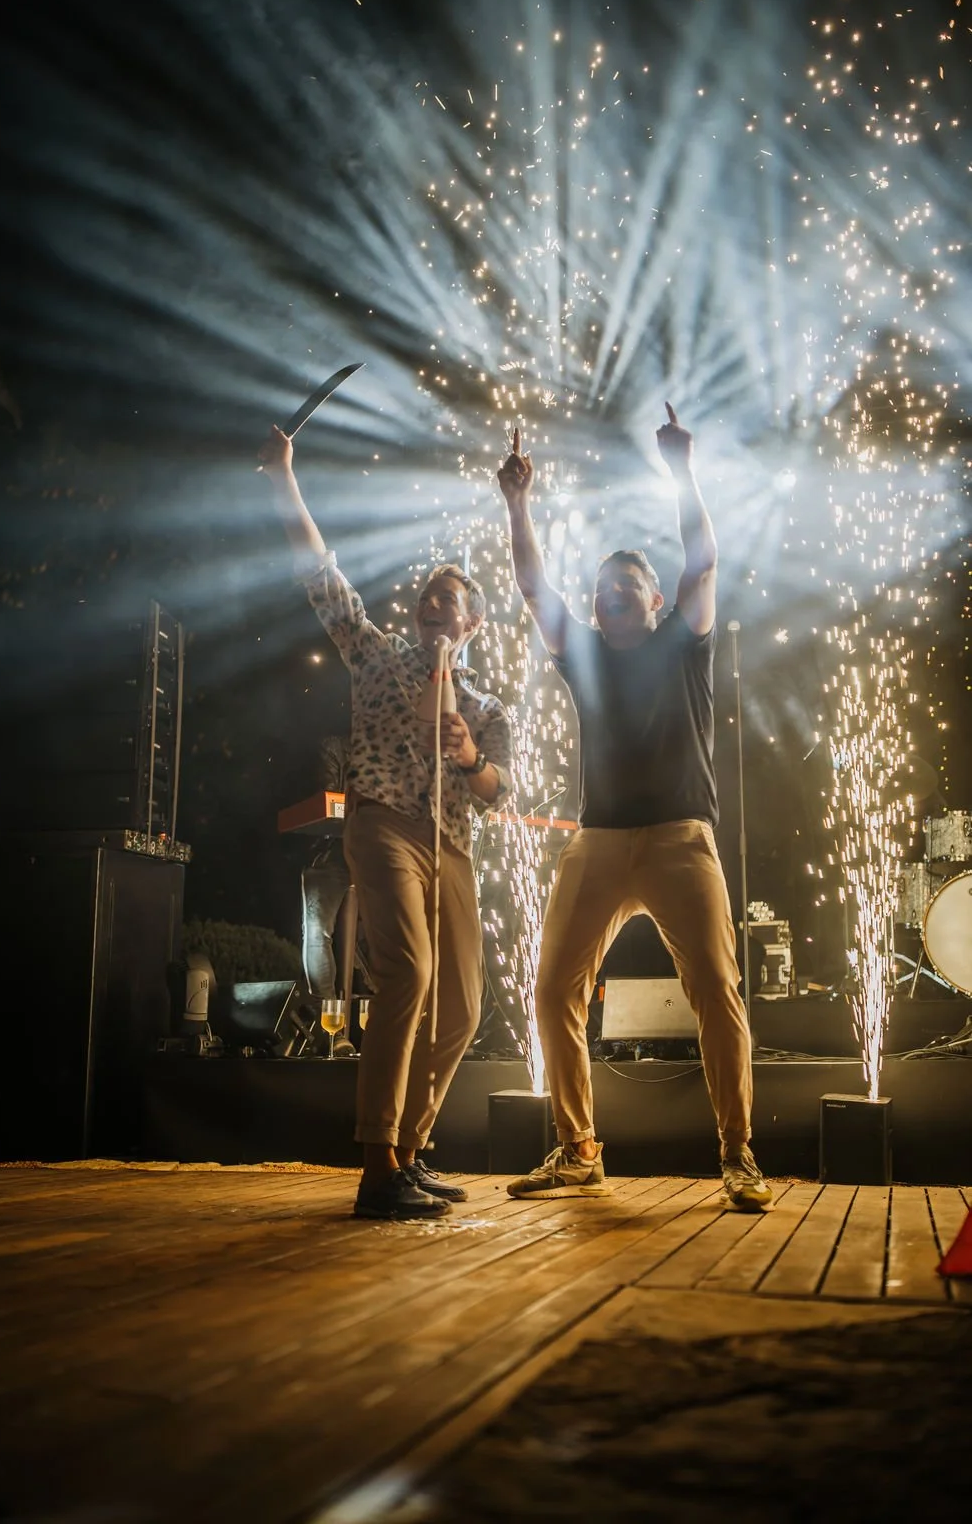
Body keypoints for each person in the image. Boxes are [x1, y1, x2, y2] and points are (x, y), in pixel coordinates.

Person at [497, 407, 771, 1210]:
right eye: (601, 589)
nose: (610, 593)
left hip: (682, 838)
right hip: (599, 842)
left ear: (655, 602)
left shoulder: (682, 642)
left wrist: (681, 470)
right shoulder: (580, 653)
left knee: (716, 989)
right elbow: (529, 584)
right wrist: (516, 503)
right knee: (552, 992)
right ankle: (579, 1148)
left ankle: (737, 1151)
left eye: (627, 585)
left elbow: (704, 559)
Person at [259, 425, 513, 1219]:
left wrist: (471, 756)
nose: (433, 600)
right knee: (407, 976)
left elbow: (501, 791)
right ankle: (377, 1168)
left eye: (450, 596)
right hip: (384, 828)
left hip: (454, 845)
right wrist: (283, 479)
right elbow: (320, 573)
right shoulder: (373, 655)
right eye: (427, 592)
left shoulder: (485, 703)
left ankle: (409, 1147)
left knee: (464, 1006)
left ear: (471, 622)